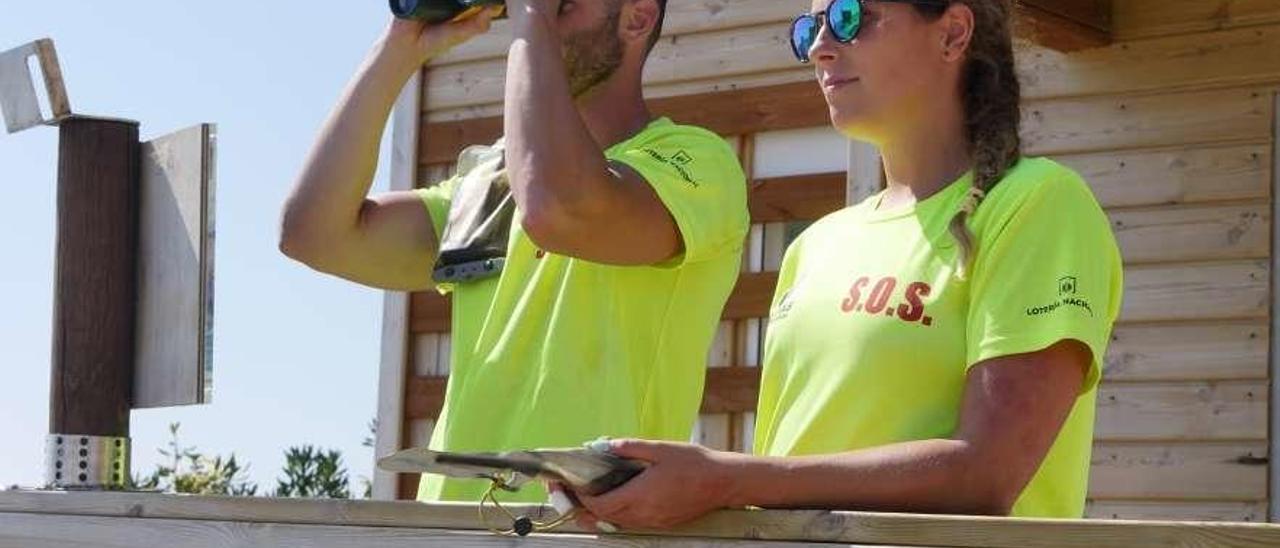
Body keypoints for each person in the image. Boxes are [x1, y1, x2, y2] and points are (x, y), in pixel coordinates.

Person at [563, 0, 1124, 528]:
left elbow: (986, 475)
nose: (820, 48)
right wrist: (646, 496)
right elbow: (785, 476)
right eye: (808, 31)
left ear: (952, 32)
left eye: (849, 16)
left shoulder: (1039, 203)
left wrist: (722, 481)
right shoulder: (817, 244)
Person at [279, 0, 749, 503]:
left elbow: (556, 210)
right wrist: (398, 46)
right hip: (447, 532)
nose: (537, 13)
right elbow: (313, 234)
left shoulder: (699, 162)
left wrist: (531, 17)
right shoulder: (488, 185)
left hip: (586, 530)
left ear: (636, 18)